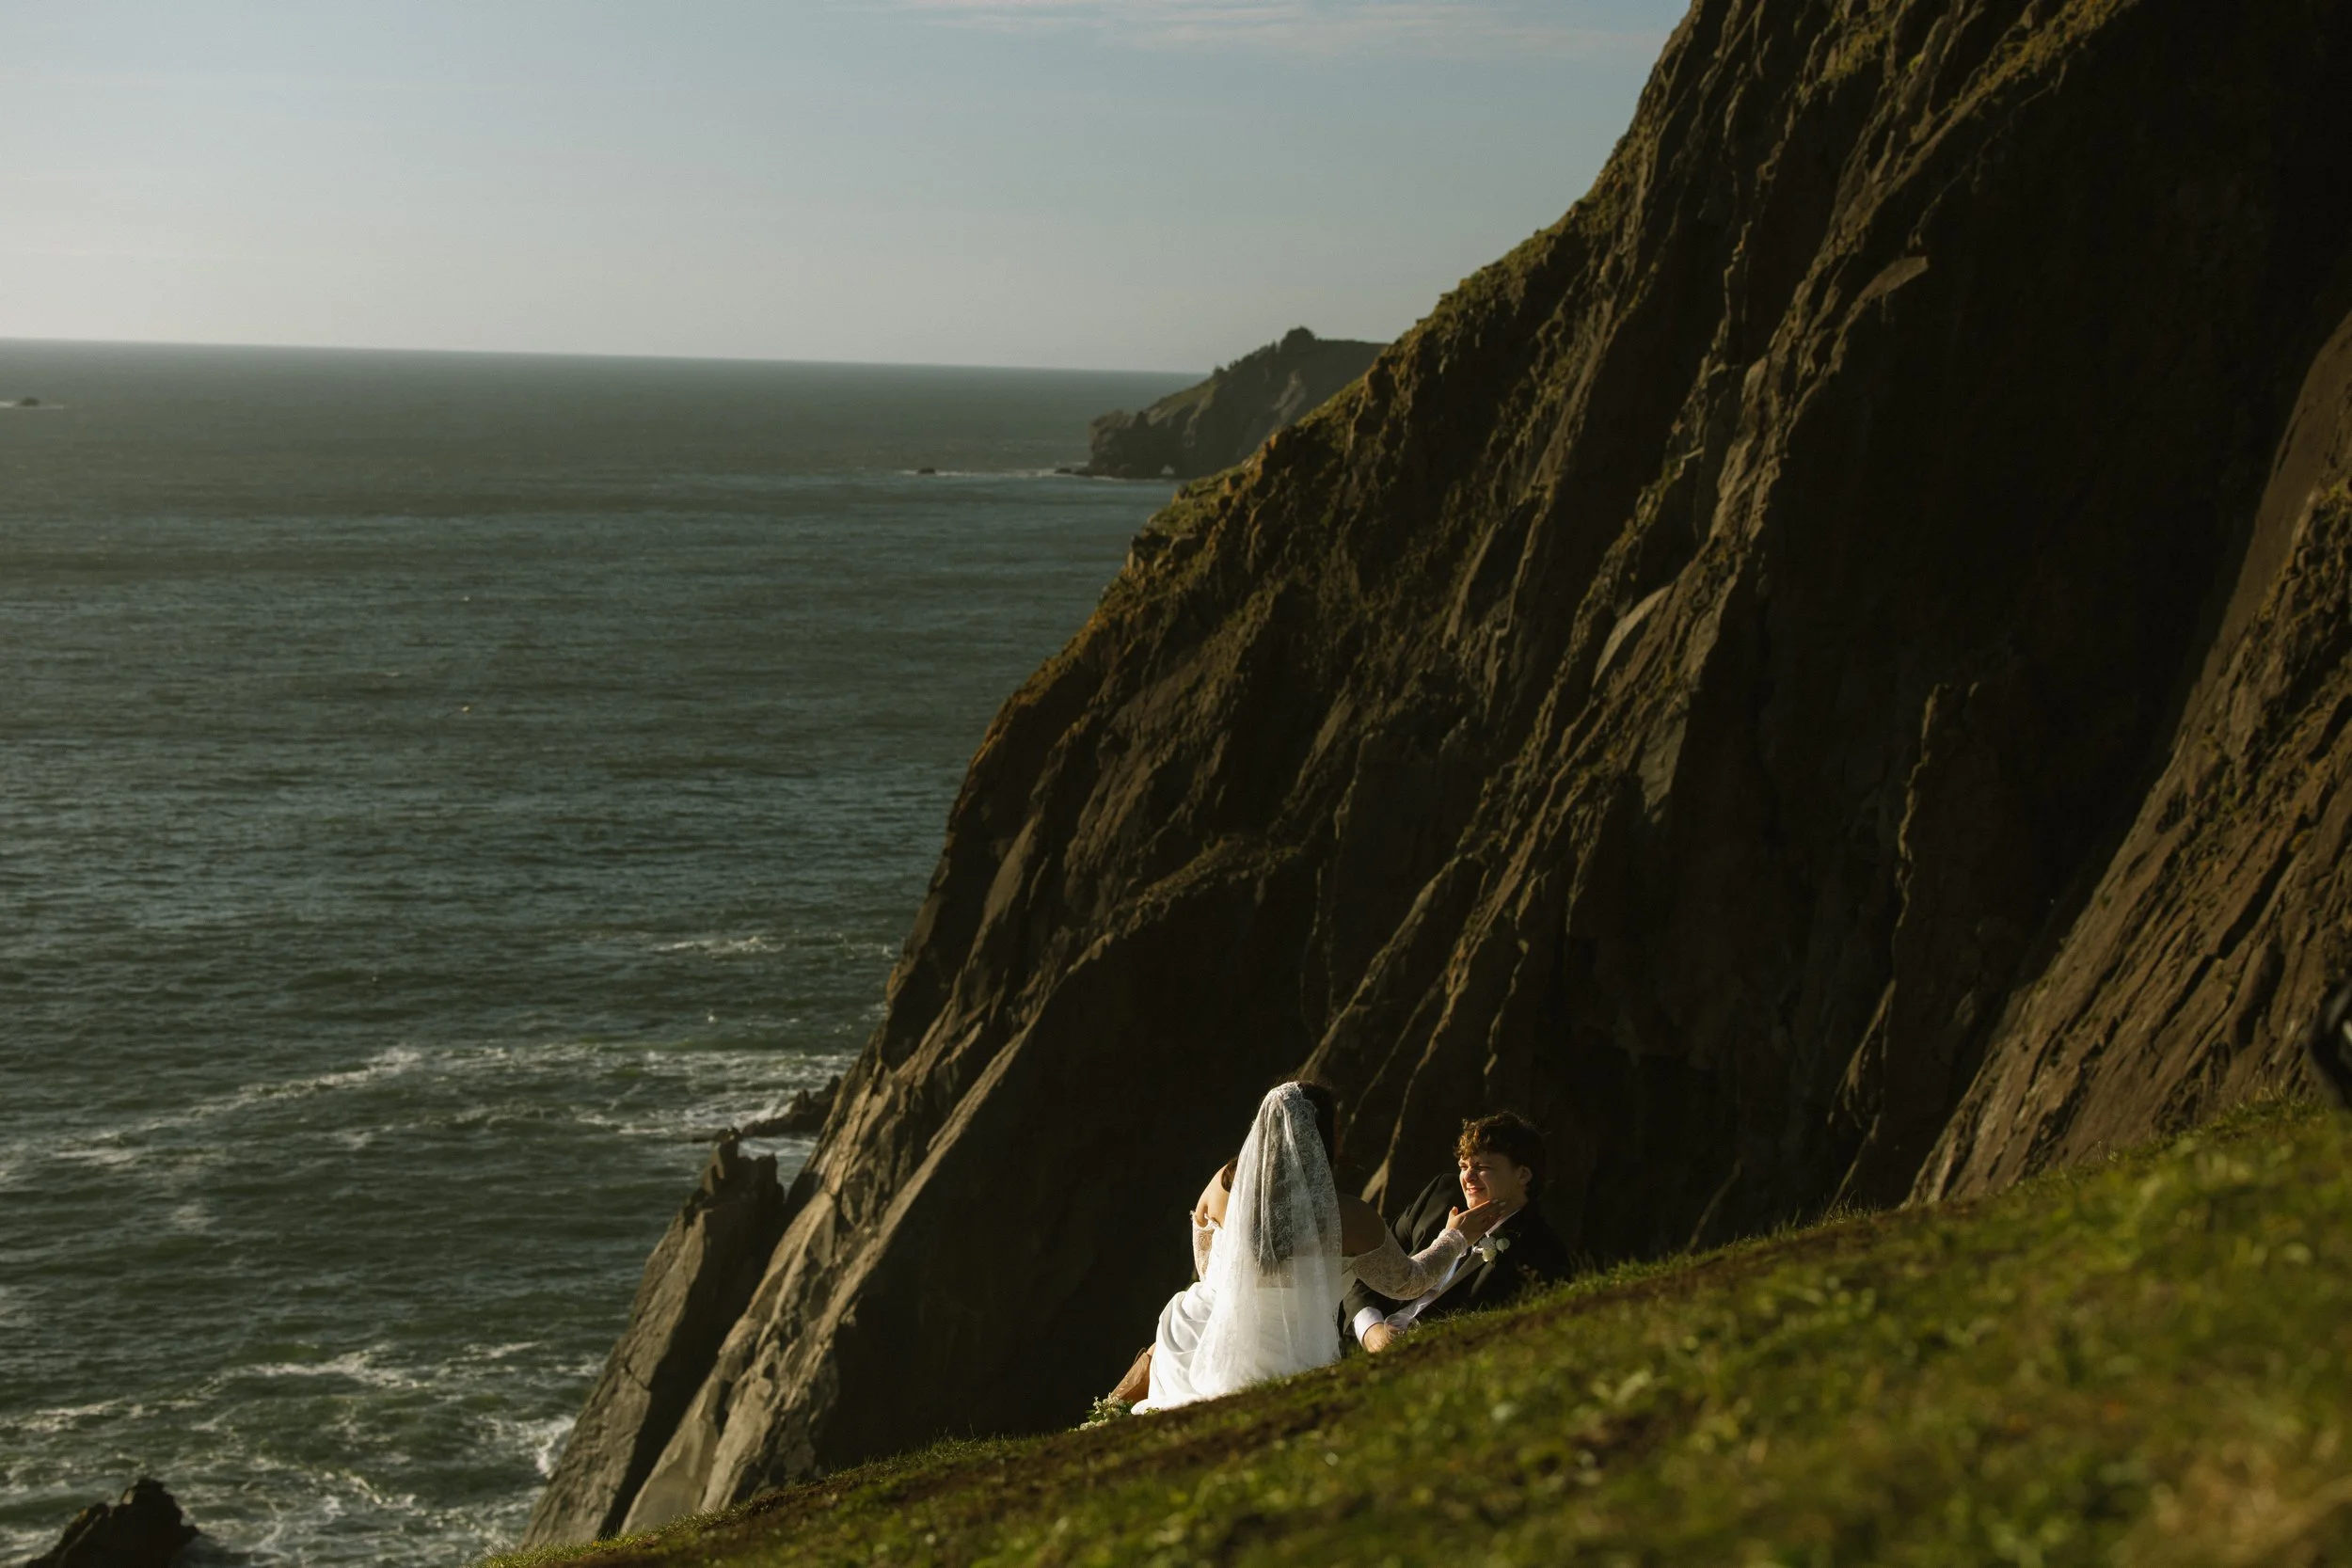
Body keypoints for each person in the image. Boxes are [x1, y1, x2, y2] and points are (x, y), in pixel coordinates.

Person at [1106, 1082, 1516, 1413]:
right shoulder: (1345, 1217)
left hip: (1198, 1332)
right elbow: (1408, 1282)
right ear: (1318, 1138)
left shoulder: (1223, 1185)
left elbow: (1206, 1257)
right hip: (1283, 1348)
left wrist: (1238, 1285)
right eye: (1336, 1129)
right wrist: (1455, 1236)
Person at [1344, 1111, 1571, 1353]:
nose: (1468, 1177)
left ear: (1523, 1175)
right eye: (1464, 1165)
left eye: (1482, 1167)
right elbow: (1363, 1265)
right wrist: (1371, 1332)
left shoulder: (1542, 1250)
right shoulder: (1439, 1197)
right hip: (1354, 1354)